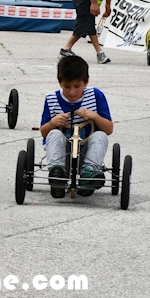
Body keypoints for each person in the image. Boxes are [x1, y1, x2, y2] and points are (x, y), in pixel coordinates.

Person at [39, 55, 113, 198]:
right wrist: (53, 123)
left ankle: (88, 173)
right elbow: (43, 132)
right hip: (62, 152)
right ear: (60, 83)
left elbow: (109, 129)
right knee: (54, 134)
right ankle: (57, 175)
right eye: (67, 87)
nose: (72, 92)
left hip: (86, 151)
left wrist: (95, 116)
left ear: (86, 82)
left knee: (100, 135)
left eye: (77, 86)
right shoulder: (51, 99)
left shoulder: (96, 95)